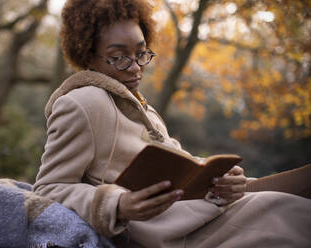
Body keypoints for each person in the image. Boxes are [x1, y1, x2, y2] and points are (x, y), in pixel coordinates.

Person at [33, 0, 311, 247]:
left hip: (200, 213)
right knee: (289, 214)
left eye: (141, 53)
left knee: (291, 207)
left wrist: (223, 178)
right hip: (171, 232)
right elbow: (49, 187)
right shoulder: (81, 103)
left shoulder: (142, 107)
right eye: (118, 57)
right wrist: (117, 204)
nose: (135, 67)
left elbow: (179, 163)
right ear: (87, 56)